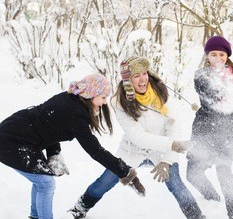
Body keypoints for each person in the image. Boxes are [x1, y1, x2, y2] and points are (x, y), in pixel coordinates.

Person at [69, 56, 205, 219]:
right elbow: (137, 137)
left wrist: (167, 159)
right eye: (136, 76)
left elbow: (173, 127)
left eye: (144, 73)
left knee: (176, 185)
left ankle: (197, 217)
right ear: (128, 81)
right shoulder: (118, 101)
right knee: (105, 181)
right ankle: (79, 209)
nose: (142, 79)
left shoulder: (162, 94)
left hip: (162, 151)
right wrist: (173, 145)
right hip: (132, 150)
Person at [0, 73, 143, 219]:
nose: (105, 102)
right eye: (103, 97)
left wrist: (53, 154)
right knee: (45, 183)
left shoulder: (70, 99)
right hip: (11, 139)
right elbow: (95, 151)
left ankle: (36, 216)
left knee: (42, 180)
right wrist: (125, 171)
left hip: (21, 133)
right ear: (92, 95)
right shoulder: (76, 113)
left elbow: (49, 126)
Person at [186, 36, 233, 219]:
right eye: (214, 54)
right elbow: (212, 95)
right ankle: (212, 199)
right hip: (205, 126)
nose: (218, 58)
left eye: (222, 54)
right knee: (192, 172)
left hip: (229, 126)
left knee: (223, 170)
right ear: (207, 56)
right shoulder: (200, 75)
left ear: (227, 56)